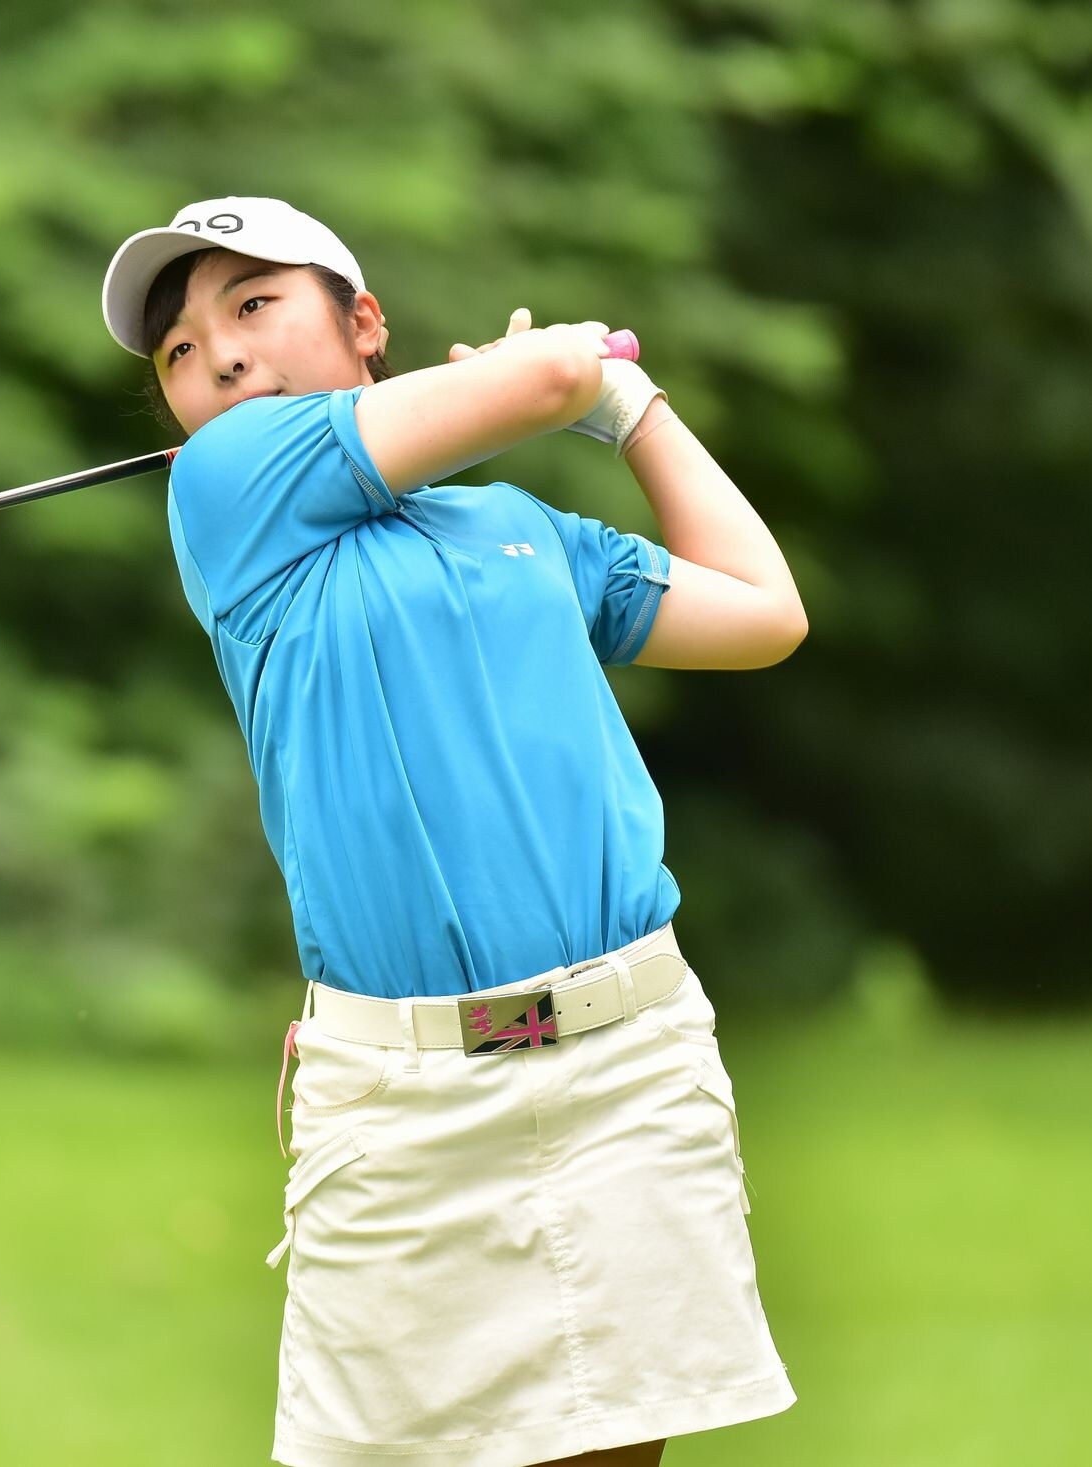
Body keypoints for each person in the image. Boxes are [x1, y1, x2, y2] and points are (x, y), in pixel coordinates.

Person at [100, 197, 807, 1467]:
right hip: (405, 1101)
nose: (220, 355)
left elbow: (763, 614)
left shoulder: (518, 528)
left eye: (253, 304)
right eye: (180, 351)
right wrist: (561, 372)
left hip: (626, 1064)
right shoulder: (226, 485)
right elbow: (543, 376)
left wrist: (632, 412)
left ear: (364, 324)